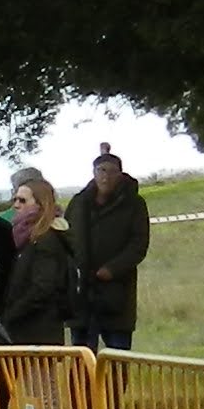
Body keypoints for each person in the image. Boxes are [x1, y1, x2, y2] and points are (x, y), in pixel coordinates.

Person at [63, 145, 150, 351]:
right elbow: (66, 238)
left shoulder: (134, 204)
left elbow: (139, 244)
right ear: (93, 174)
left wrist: (112, 269)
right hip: (81, 291)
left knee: (118, 356)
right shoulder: (79, 203)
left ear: (120, 174)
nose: (106, 177)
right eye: (101, 171)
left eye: (111, 172)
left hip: (116, 290)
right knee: (82, 358)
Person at [0, 171, 78, 344]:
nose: (16, 205)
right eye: (15, 199)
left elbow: (43, 288)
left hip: (40, 333)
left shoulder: (46, 239)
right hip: (24, 330)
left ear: (40, 205)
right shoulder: (25, 238)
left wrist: (11, 314)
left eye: (23, 200)